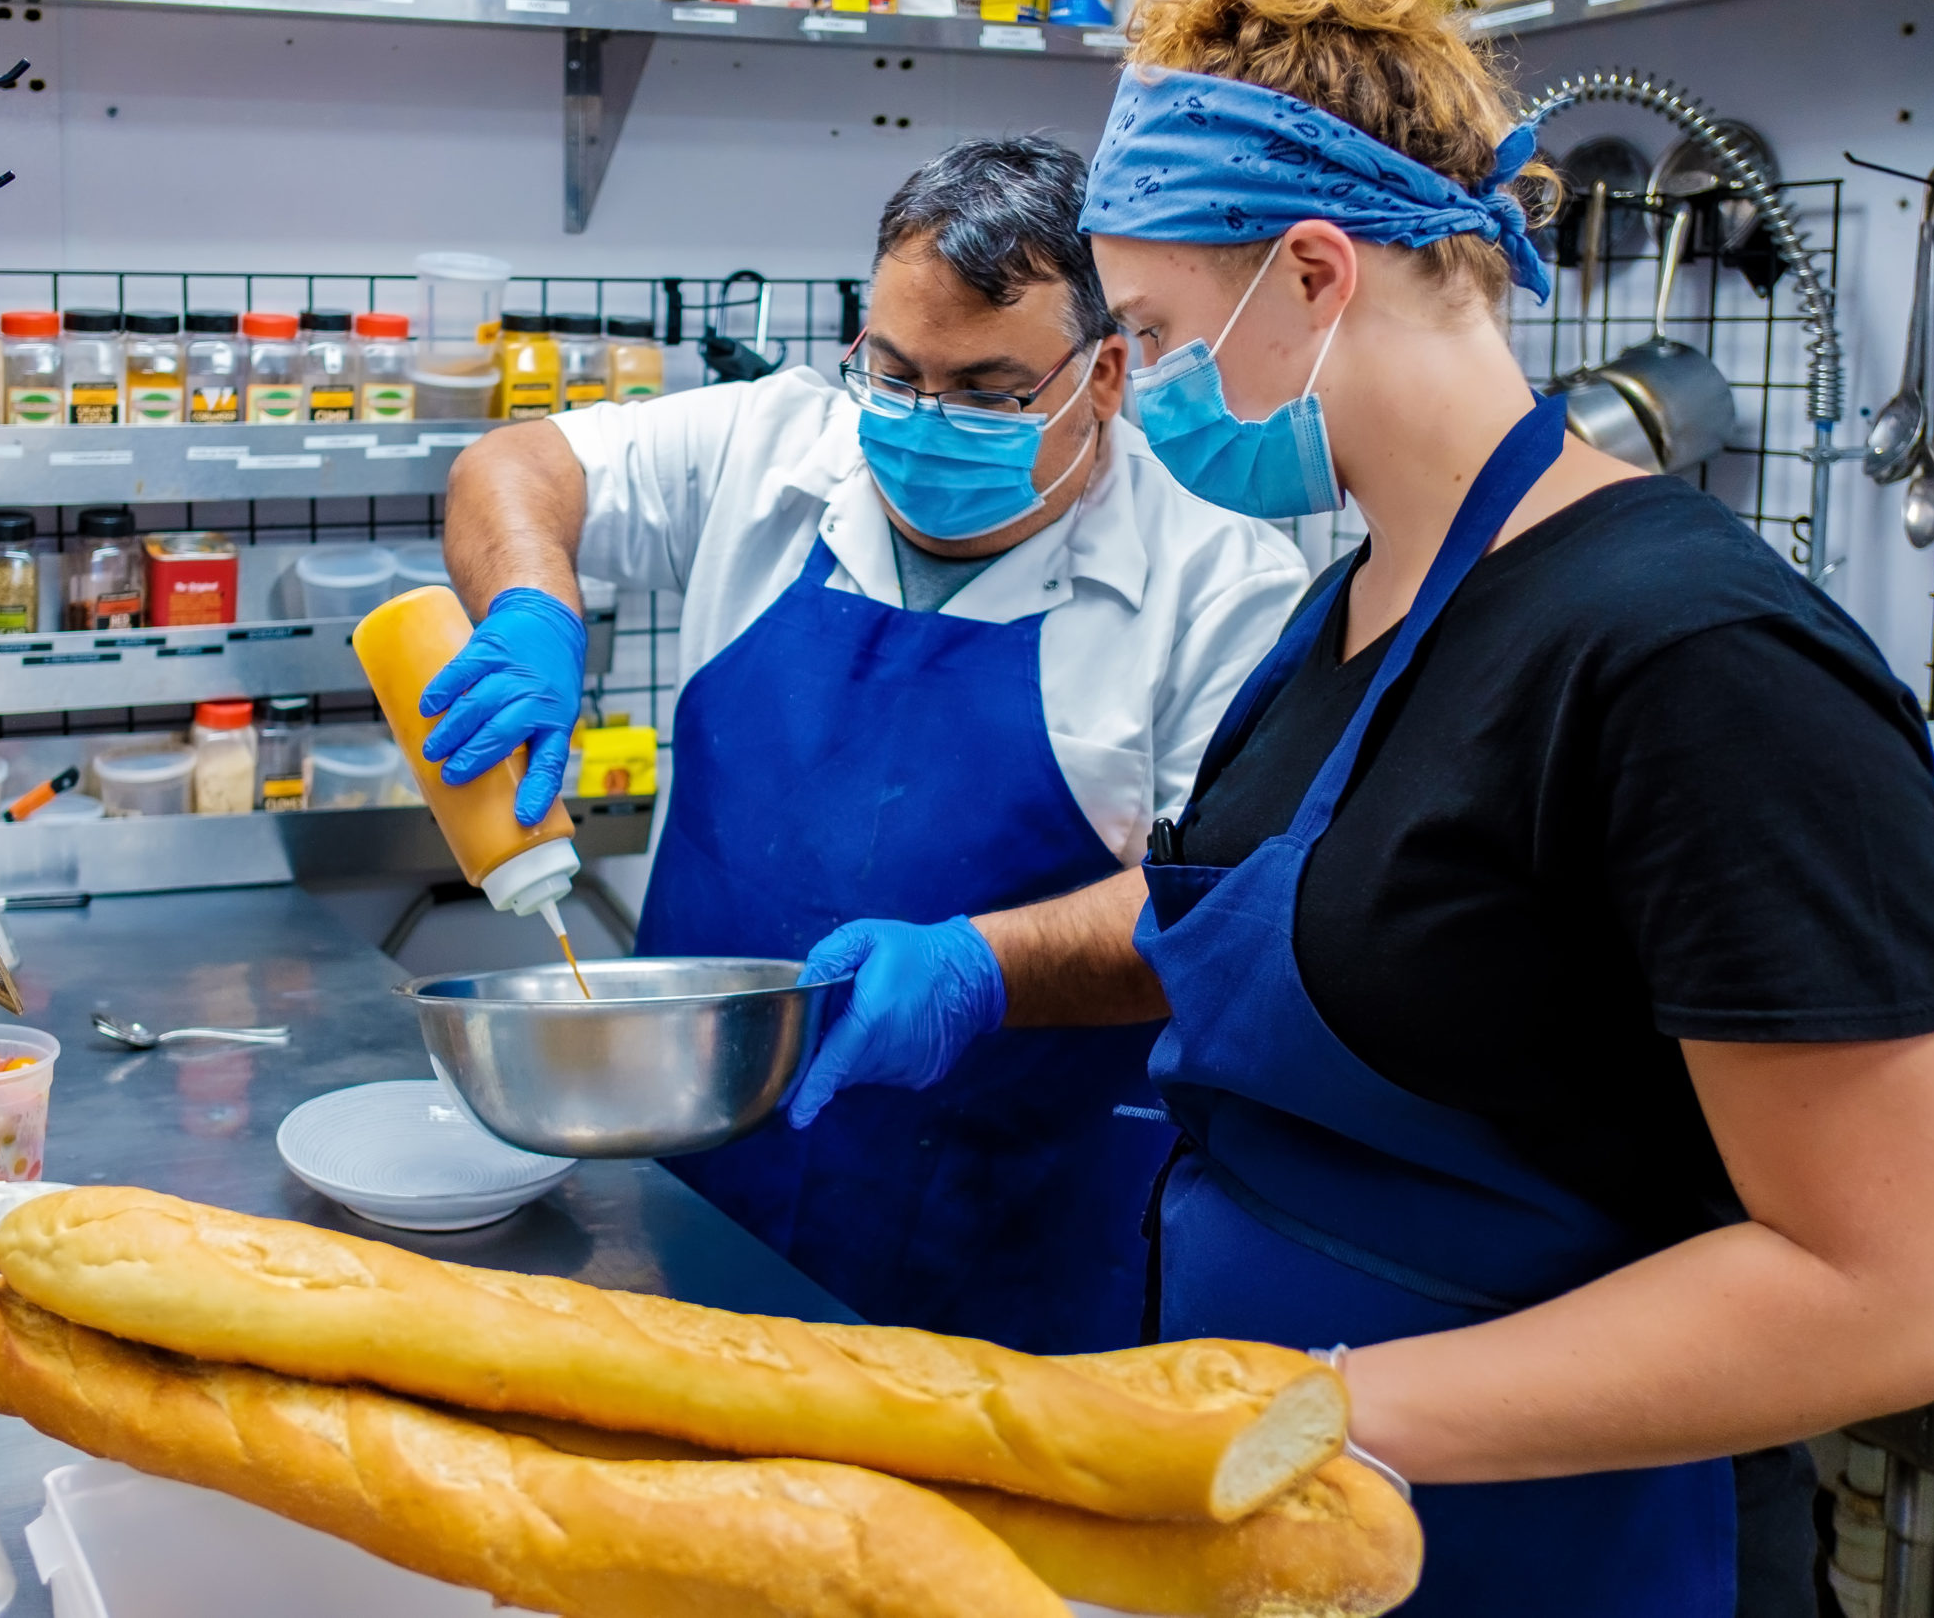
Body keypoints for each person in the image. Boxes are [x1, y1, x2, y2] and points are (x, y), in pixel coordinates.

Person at [778, 0, 1934, 1612]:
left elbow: (1910, 1287)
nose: (1128, 396)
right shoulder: (1362, 600)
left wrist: (1323, 1406)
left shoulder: (1693, 661)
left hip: (1572, 1555)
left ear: (1310, 277)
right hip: (1326, 1549)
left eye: (1146, 326)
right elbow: (1342, 924)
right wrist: (980, 972)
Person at [423, 137, 1309, 1355]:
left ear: (1104, 375)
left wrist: (979, 970)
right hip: (697, 1183)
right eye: (892, 373)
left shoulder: (1221, 582)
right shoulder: (775, 447)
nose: (923, 421)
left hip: (1009, 1232)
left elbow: (1223, 911)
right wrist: (533, 600)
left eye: (988, 390)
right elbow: (511, 464)